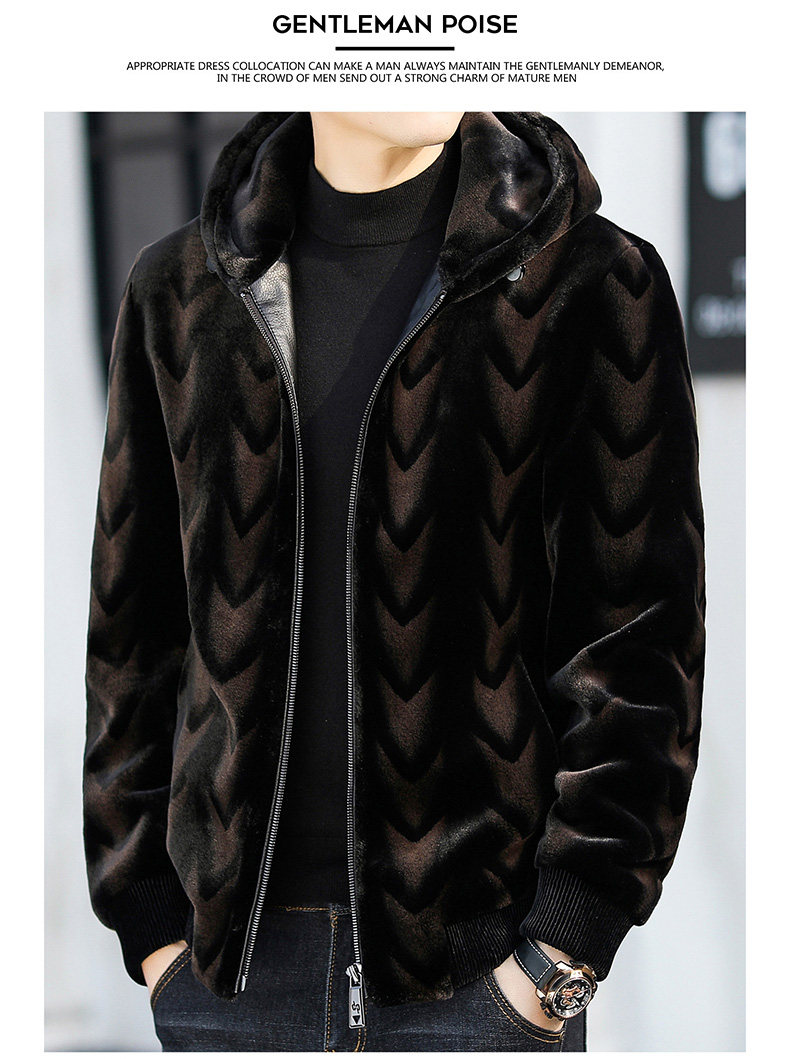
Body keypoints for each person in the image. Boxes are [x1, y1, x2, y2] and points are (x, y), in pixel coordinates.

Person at [83, 111, 706, 1052]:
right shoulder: (179, 289)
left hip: (480, 978)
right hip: (227, 983)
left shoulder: (592, 279)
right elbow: (130, 634)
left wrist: (560, 951)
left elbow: (641, 641)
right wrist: (151, 924)